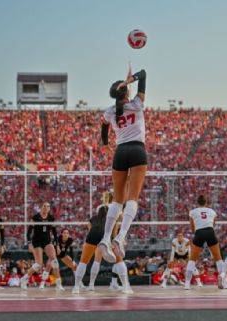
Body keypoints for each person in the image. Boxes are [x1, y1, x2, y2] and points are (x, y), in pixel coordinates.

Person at [98, 67, 148, 263]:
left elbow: (103, 126)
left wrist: (104, 144)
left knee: (117, 200)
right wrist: (132, 79)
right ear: (126, 91)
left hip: (119, 152)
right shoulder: (136, 104)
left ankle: (105, 238)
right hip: (137, 150)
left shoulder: (110, 112)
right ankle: (120, 237)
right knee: (132, 198)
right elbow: (143, 74)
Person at [73, 191, 129, 294]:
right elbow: (116, 225)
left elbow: (89, 226)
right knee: (118, 260)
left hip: (94, 232)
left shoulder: (97, 212)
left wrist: (90, 240)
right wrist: (116, 240)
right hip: (106, 233)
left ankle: (79, 287)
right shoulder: (116, 210)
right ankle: (126, 286)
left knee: (84, 261)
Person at [185, 195, 227, 290]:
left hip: (199, 232)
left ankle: (187, 284)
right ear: (206, 202)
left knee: (192, 259)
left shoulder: (192, 212)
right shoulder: (212, 211)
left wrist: (197, 233)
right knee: (218, 258)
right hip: (210, 231)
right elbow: (213, 224)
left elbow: (192, 227)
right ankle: (224, 281)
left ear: (197, 202)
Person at [20, 202, 64, 291]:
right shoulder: (35, 217)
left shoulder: (51, 218)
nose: (46, 208)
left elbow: (55, 233)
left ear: (49, 209)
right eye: (44, 206)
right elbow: (29, 232)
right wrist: (29, 243)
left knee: (54, 261)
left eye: (48, 206)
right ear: (41, 207)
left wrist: (57, 245)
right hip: (37, 241)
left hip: (47, 241)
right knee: (38, 264)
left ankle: (58, 284)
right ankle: (24, 279)